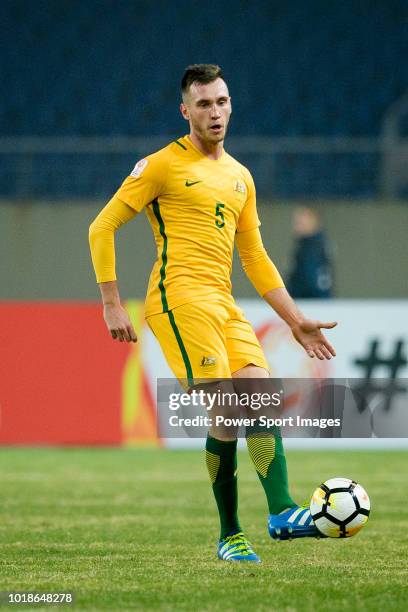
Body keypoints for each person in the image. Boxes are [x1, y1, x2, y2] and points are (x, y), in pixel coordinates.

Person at [89, 64, 337, 563]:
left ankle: (282, 513)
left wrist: (293, 318)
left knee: (259, 400)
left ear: (230, 104)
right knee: (227, 410)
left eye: (221, 101)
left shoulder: (240, 177)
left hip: (222, 303)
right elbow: (102, 227)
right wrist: (112, 302)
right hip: (178, 301)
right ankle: (230, 534)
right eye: (204, 104)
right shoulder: (160, 165)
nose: (215, 112)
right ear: (186, 111)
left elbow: (256, 258)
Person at [287, 207, 334, 298]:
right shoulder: (321, 243)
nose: (295, 227)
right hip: (321, 303)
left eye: (300, 223)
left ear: (313, 221)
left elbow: (309, 282)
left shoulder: (311, 248)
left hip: (310, 304)